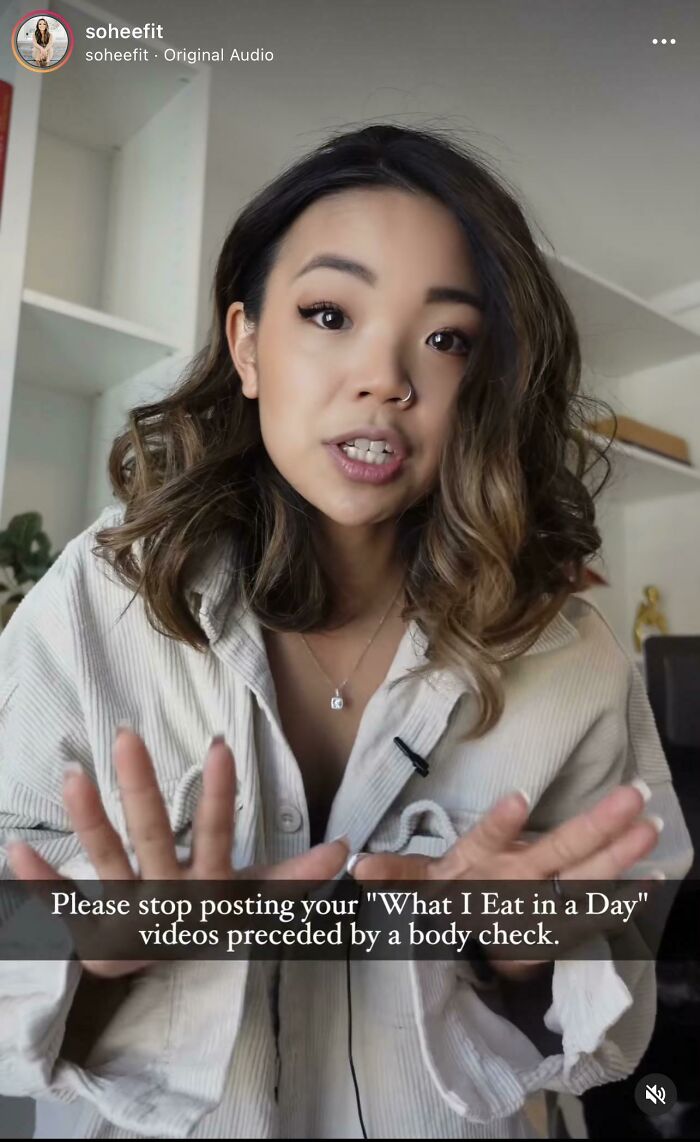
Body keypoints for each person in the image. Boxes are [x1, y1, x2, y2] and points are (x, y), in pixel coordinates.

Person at [0, 124, 693, 1139]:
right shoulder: (103, 595)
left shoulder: (570, 648)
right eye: (329, 313)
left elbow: (615, 976)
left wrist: (521, 950)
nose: (386, 378)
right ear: (245, 344)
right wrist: (102, 940)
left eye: (446, 337)